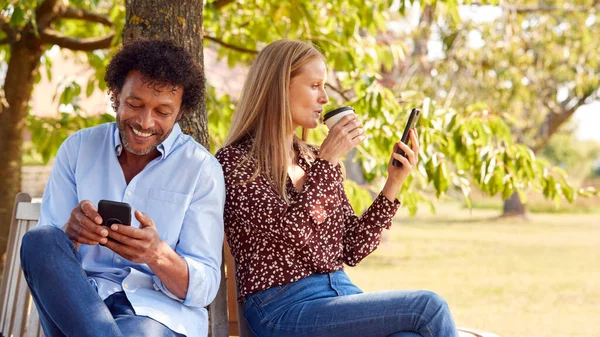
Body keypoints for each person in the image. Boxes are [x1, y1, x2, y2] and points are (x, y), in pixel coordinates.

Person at [215, 39, 459, 337]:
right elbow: (293, 233)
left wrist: (392, 184)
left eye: (325, 86)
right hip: (279, 308)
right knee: (428, 307)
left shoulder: (312, 160)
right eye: (315, 85)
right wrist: (328, 160)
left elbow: (352, 248)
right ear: (279, 87)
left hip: (339, 295)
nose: (325, 98)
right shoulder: (236, 162)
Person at [20, 39, 225, 337]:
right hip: (80, 305)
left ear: (180, 112)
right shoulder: (78, 149)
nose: (145, 122)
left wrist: (157, 255)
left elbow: (204, 286)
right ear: (115, 96)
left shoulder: (200, 169)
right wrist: (71, 234)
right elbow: (46, 260)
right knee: (41, 239)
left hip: (157, 314)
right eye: (134, 104)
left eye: (163, 111)